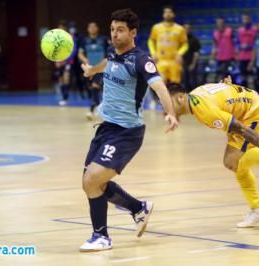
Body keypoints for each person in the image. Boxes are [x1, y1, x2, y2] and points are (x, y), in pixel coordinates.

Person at [79, 8, 178, 252]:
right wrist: (93, 70)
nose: (114, 34)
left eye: (120, 30)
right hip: (105, 128)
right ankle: (137, 208)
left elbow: (159, 87)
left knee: (93, 179)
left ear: (133, 32)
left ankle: (101, 237)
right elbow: (108, 62)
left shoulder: (141, 60)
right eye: (112, 30)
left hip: (127, 133)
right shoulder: (113, 52)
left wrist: (171, 113)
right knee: (90, 183)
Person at [166, 77, 259, 228]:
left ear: (181, 98)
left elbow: (242, 129)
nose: (165, 108)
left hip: (254, 111)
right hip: (245, 108)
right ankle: (257, 209)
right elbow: (219, 93)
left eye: (167, 102)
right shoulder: (195, 95)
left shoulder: (204, 112)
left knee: (231, 161)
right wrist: (225, 86)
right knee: (236, 164)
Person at [148, 5, 188, 108]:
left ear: (173, 14)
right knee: (159, 82)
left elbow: (185, 44)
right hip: (161, 60)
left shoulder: (180, 29)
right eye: (165, 12)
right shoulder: (156, 28)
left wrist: (180, 53)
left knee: (175, 84)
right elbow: (151, 41)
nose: (167, 14)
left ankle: (174, 103)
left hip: (174, 61)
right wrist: (153, 53)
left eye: (169, 12)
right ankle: (158, 102)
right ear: (163, 14)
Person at [78, 22, 109, 120]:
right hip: (89, 69)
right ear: (87, 29)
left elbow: (110, 53)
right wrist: (85, 60)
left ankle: (92, 110)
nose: (92, 28)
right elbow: (80, 54)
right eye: (90, 26)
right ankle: (98, 107)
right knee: (92, 89)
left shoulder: (103, 39)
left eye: (94, 26)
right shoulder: (84, 40)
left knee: (96, 86)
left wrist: (103, 64)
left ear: (97, 28)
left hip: (101, 69)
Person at [53, 20, 74, 106]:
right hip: (59, 61)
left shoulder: (69, 37)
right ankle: (63, 97)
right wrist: (56, 61)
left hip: (67, 62)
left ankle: (66, 97)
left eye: (62, 29)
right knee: (60, 80)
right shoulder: (55, 38)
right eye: (59, 29)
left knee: (66, 78)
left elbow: (72, 50)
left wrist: (65, 60)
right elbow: (53, 50)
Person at [210, 17, 235, 82]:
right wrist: (212, 58)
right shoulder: (215, 33)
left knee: (227, 76)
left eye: (221, 23)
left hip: (229, 58)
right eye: (218, 23)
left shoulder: (230, 31)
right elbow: (214, 46)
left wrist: (236, 55)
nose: (220, 24)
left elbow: (236, 43)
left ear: (224, 23)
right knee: (220, 76)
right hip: (219, 58)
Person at [237, 13, 257, 87]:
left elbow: (256, 43)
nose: (245, 21)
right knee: (243, 78)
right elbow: (237, 43)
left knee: (253, 78)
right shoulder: (239, 31)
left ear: (250, 19)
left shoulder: (255, 30)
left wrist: (248, 46)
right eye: (244, 19)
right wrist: (240, 46)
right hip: (242, 58)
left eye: (247, 19)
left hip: (252, 57)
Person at [183, 22, 201, 91]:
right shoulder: (181, 40)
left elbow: (196, 53)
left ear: (191, 29)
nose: (186, 30)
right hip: (183, 64)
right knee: (185, 82)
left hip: (192, 63)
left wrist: (193, 64)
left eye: (188, 28)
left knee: (193, 81)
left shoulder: (194, 40)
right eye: (185, 28)